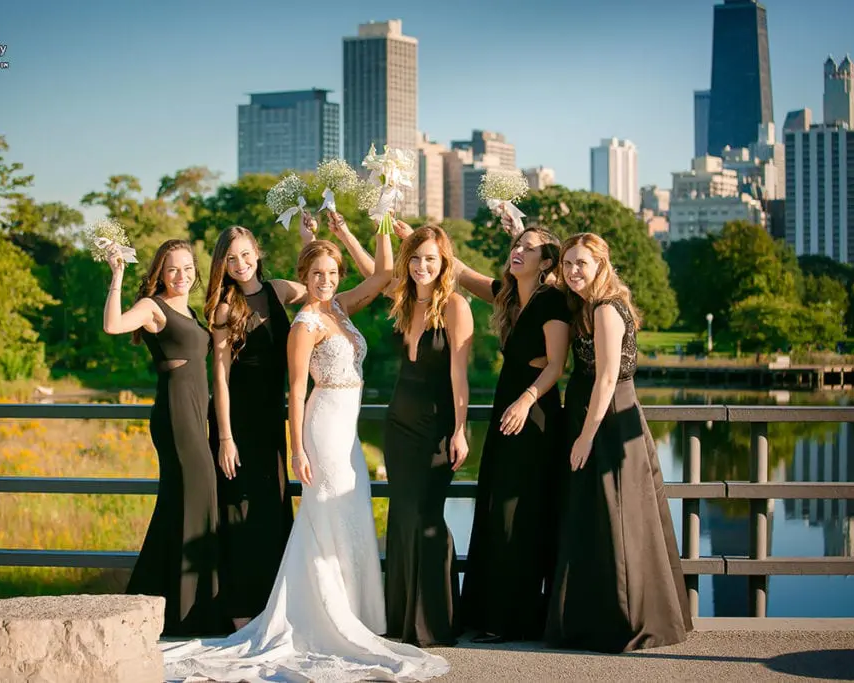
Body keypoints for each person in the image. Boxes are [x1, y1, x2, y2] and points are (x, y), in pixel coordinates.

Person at [161, 227, 449, 682]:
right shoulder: (303, 323)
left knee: (350, 511)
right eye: (318, 273)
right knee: (324, 513)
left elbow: (382, 276)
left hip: (346, 430)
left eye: (333, 273)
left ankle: (356, 611)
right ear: (305, 275)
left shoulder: (336, 306)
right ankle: (320, 614)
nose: (326, 279)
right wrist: (293, 448)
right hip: (318, 427)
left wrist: (373, 222)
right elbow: (295, 392)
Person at [546, 232, 692, 653]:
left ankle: (622, 623)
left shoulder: (608, 309)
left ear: (601, 265)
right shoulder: (585, 304)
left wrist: (586, 437)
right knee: (597, 516)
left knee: (617, 516)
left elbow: (608, 377)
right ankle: (594, 617)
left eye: (581, 263)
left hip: (607, 419)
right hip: (595, 414)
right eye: (568, 263)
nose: (573, 271)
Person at [333, 218, 470, 647]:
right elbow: (373, 272)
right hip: (399, 423)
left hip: (436, 426)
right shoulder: (403, 297)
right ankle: (402, 618)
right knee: (402, 515)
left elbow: (459, 375)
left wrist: (461, 430)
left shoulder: (455, 306)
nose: (421, 266)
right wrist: (344, 233)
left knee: (426, 517)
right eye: (415, 258)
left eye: (430, 259)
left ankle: (435, 620)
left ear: (443, 261)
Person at [444, 215, 571, 643]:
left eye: (528, 247)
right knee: (496, 507)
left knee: (519, 512)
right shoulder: (508, 298)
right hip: (507, 407)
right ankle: (487, 614)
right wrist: (416, 235)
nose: (517, 250)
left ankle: (514, 619)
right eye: (516, 244)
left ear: (546, 260)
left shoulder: (553, 301)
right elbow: (459, 272)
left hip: (534, 413)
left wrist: (526, 399)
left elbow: (557, 365)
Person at [102, 239, 224, 637]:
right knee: (197, 494)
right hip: (175, 412)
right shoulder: (153, 307)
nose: (182, 275)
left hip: (194, 409)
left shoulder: (189, 309)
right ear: (159, 272)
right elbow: (113, 325)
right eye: (173, 269)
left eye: (188, 268)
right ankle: (188, 611)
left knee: (181, 503)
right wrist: (117, 277)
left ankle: (154, 602)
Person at [203, 220, 314, 630]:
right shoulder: (225, 309)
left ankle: (275, 605)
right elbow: (220, 377)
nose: (240, 263)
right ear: (223, 264)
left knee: (272, 505)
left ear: (258, 254)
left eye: (246, 255)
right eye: (231, 259)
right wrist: (226, 438)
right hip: (239, 422)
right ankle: (240, 608)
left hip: (273, 419)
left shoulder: (281, 291)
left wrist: (308, 240)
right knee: (239, 509)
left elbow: (320, 289)